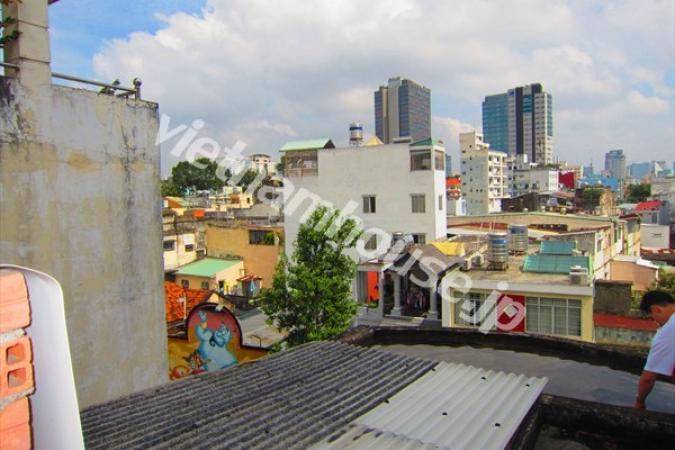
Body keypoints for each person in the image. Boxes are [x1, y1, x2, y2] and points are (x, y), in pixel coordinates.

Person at [634, 290, 675, 410]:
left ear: (656, 309)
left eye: (652, 317)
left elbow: (648, 378)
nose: (655, 321)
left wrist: (639, 401)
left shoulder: (669, 330)